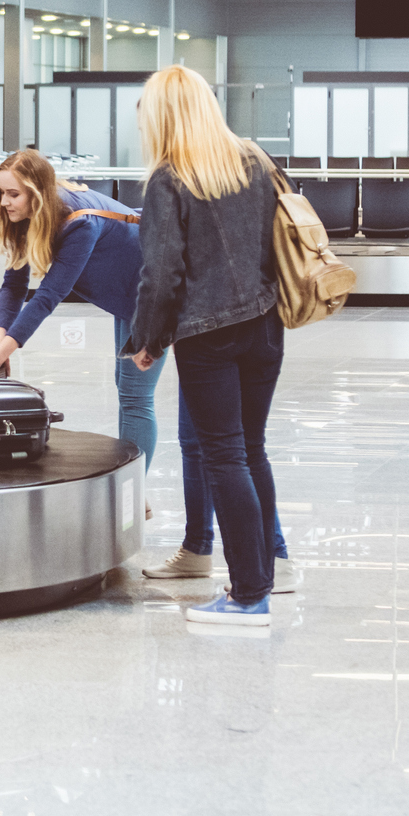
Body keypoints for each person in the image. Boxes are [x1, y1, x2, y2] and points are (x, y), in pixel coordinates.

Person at [123, 65, 287, 627]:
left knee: (224, 455)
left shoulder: (170, 179)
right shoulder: (255, 161)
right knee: (252, 449)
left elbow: (162, 273)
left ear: (163, 116)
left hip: (209, 335)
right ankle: (263, 577)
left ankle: (246, 598)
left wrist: (146, 340)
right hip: (266, 326)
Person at [0, 150, 158, 469]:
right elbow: (14, 285)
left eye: (13, 194)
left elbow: (48, 296)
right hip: (125, 291)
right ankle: (131, 487)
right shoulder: (28, 214)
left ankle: (134, 489)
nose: (4, 202)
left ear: (37, 192)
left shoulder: (79, 221)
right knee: (126, 387)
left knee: (135, 394)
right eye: (1, 193)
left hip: (152, 293)